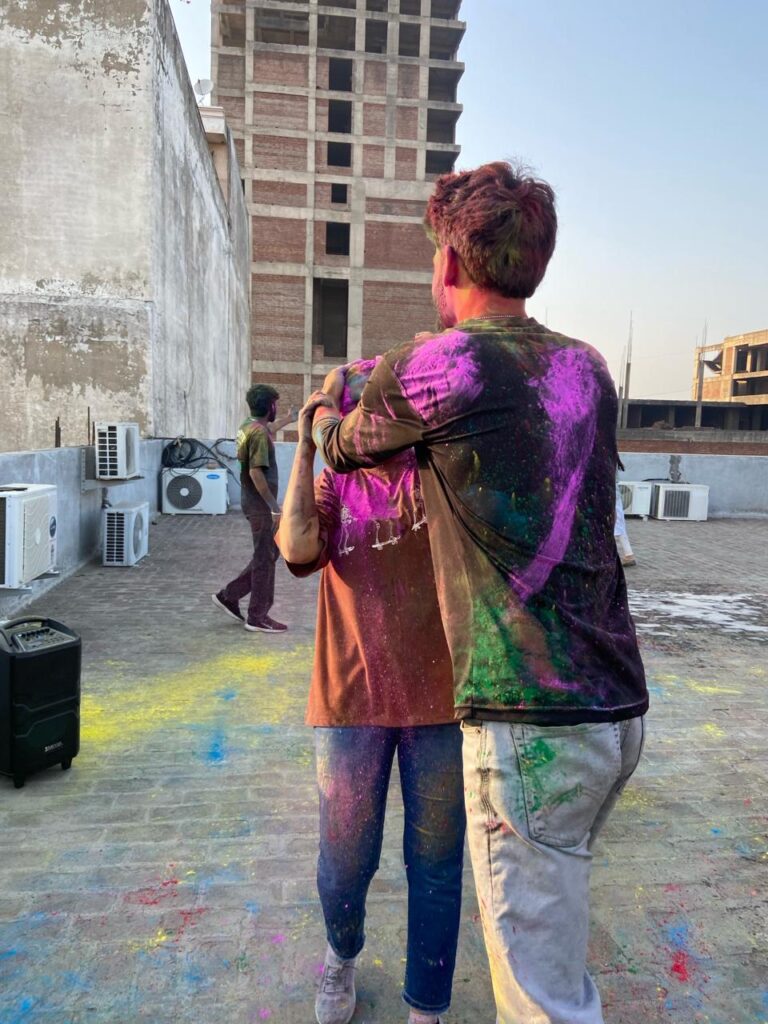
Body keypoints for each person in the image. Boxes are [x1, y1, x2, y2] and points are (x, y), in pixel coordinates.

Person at [304, 161, 648, 1024]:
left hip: (531, 722)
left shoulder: (436, 365)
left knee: (541, 999)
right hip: (616, 709)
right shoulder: (588, 367)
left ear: (451, 263)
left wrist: (320, 414)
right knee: (555, 930)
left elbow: (345, 448)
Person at [276, 361, 465, 1024]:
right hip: (350, 697)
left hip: (441, 700)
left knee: (436, 863)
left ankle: (427, 1005)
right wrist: (307, 448)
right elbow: (297, 548)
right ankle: (342, 954)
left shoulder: (441, 472)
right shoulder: (338, 478)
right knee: (345, 860)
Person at [212, 383, 294, 632]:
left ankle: (229, 596)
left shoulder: (249, 426)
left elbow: (269, 429)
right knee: (264, 559)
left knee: (268, 554)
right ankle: (257, 616)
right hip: (260, 505)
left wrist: (288, 420)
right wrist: (274, 507)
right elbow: (256, 472)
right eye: (275, 405)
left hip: (252, 501)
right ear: (270, 406)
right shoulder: (258, 434)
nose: (276, 408)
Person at [614, 484, 637, 566]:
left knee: (617, 527)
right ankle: (629, 554)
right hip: (611, 495)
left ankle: (629, 555)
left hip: (610, 495)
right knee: (619, 527)